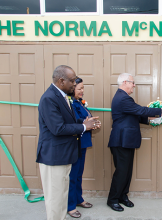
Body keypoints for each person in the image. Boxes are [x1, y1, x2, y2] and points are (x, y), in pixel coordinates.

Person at [36, 65, 98, 220]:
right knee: (55, 200)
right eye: (72, 80)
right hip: (54, 157)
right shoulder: (49, 98)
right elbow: (57, 128)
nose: (74, 83)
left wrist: (84, 122)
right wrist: (84, 126)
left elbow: (67, 121)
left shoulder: (63, 96)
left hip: (65, 156)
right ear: (61, 81)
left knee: (62, 197)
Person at [107, 73, 162, 212]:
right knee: (121, 172)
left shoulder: (124, 98)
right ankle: (113, 199)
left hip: (127, 140)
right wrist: (161, 110)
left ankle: (123, 196)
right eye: (132, 82)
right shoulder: (122, 98)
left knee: (127, 171)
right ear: (125, 82)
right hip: (120, 141)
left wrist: (150, 121)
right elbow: (140, 110)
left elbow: (135, 115)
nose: (134, 85)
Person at [67, 77, 101, 218]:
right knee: (73, 175)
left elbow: (87, 118)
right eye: (79, 88)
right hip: (75, 143)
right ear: (71, 88)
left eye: (83, 88)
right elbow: (74, 121)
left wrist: (93, 123)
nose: (82, 91)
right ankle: (70, 205)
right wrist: (86, 122)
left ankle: (79, 199)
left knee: (79, 174)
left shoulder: (80, 103)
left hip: (83, 142)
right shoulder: (69, 103)